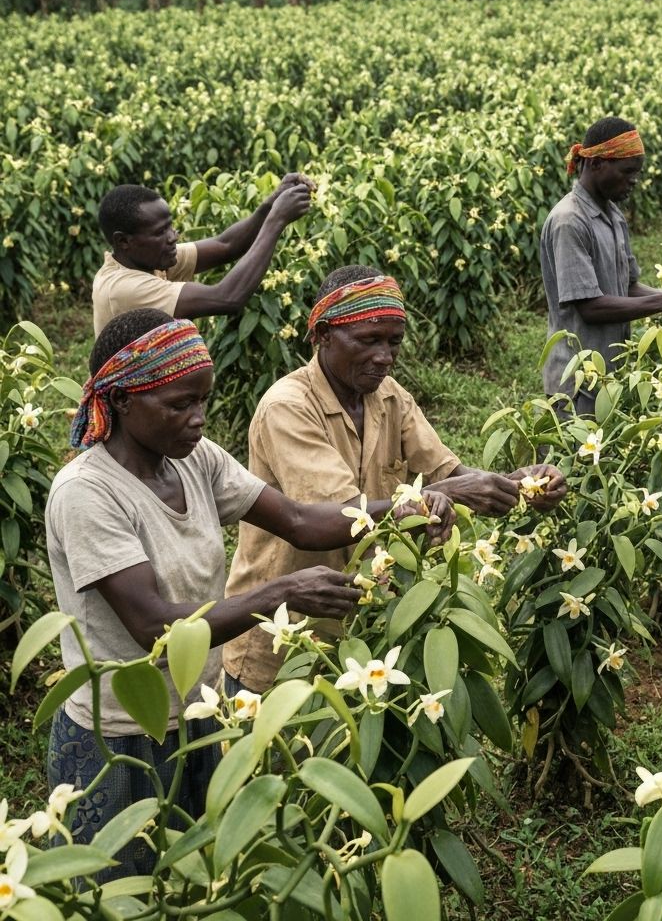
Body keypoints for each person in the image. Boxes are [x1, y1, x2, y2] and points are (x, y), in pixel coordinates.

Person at [45, 308, 453, 875]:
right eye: (179, 404)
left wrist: (400, 509)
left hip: (201, 712)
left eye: (203, 401)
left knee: (202, 877)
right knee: (121, 887)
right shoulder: (88, 494)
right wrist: (278, 594)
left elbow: (300, 520)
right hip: (119, 735)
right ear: (120, 400)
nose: (198, 419)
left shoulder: (194, 460)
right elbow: (155, 627)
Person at [223, 266, 568, 694]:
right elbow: (333, 522)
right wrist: (443, 493)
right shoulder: (287, 408)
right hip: (286, 633)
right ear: (323, 335)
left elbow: (452, 476)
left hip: (364, 620)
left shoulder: (389, 396)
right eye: (369, 340)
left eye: (394, 342)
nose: (384, 356)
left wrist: (519, 485)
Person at [540, 116, 662, 414]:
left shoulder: (613, 215)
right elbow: (590, 307)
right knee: (571, 459)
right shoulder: (569, 221)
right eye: (627, 172)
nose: (634, 181)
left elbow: (628, 286)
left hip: (609, 372)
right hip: (576, 380)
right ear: (597, 163)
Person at [92, 173, 315, 335]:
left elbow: (225, 245)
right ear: (123, 241)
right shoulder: (123, 289)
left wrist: (271, 203)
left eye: (171, 227)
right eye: (160, 232)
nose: (173, 237)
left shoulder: (147, 260)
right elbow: (227, 298)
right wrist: (276, 220)